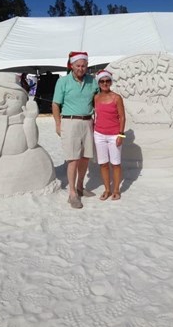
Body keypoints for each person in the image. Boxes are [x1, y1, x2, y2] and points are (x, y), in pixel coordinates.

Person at [52, 51, 99, 209]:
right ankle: (72, 193)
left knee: (85, 157)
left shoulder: (93, 82)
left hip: (87, 122)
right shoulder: (63, 82)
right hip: (70, 122)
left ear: (87, 66)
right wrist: (58, 124)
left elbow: (98, 100)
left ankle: (80, 186)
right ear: (71, 65)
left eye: (83, 65)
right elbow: (55, 104)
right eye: (78, 65)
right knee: (73, 159)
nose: (81, 68)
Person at [94, 69, 126, 201]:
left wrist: (121, 135)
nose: (105, 83)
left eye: (107, 81)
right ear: (99, 83)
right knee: (103, 163)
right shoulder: (95, 97)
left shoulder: (117, 98)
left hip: (114, 135)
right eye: (102, 81)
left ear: (111, 82)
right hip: (99, 134)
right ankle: (107, 189)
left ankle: (116, 190)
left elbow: (123, 118)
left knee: (116, 164)